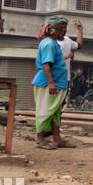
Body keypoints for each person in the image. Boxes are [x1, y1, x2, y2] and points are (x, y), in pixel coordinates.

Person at [33, 16, 72, 149]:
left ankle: (57, 138)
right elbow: (46, 65)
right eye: (60, 29)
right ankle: (40, 140)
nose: (63, 32)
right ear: (50, 30)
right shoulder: (49, 44)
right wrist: (51, 83)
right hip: (47, 83)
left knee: (55, 112)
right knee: (45, 110)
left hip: (57, 83)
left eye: (64, 29)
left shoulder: (53, 43)